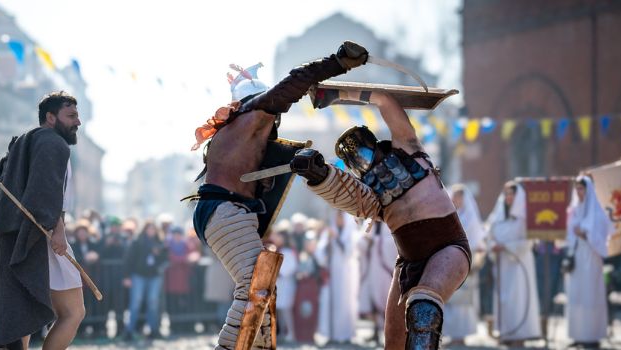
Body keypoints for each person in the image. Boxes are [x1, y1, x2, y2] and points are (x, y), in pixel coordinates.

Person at [188, 42, 368, 350]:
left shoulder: (232, 131)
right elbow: (294, 82)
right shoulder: (253, 113)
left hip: (224, 210)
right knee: (255, 287)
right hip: (226, 210)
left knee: (264, 286)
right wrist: (337, 62)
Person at [289, 91, 471, 350]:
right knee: (394, 342)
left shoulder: (409, 148)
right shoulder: (369, 193)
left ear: (370, 142)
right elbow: (345, 193)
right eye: (351, 157)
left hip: (448, 247)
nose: (358, 158)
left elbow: (384, 101)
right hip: (408, 262)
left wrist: (338, 95)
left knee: (423, 305)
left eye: (358, 149)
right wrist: (317, 174)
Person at [0, 91, 85, 349]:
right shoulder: (52, 144)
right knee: (73, 312)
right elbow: (47, 193)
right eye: (71, 116)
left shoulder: (23, 143)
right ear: (50, 117)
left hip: (14, 237)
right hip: (40, 236)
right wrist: (58, 231)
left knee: (19, 313)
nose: (77, 122)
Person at [485, 181, 542, 346]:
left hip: (519, 265)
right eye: (507, 194)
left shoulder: (524, 218)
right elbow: (489, 236)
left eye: (512, 194)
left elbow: (528, 241)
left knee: (518, 298)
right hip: (502, 264)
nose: (509, 197)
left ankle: (520, 335)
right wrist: (492, 247)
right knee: (503, 299)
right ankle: (506, 333)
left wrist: (507, 246)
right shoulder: (498, 217)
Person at [564, 176, 612, 348]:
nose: (579, 192)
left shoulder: (597, 212)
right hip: (577, 256)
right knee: (576, 295)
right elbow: (568, 234)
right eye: (577, 188)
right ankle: (577, 334)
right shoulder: (574, 210)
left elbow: (603, 236)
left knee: (590, 295)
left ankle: (592, 335)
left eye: (582, 188)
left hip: (591, 257)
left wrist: (585, 234)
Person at [444, 184, 486, 346]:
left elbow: (475, 242)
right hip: (449, 263)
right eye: (454, 196)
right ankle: (452, 334)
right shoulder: (450, 215)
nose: (455, 199)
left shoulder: (470, 218)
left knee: (463, 300)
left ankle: (461, 335)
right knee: (451, 299)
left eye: (458, 196)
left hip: (465, 262)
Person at [315, 210, 360, 344]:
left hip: (346, 275)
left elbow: (349, 253)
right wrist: (327, 243)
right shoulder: (328, 232)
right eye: (337, 217)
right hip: (332, 274)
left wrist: (337, 238)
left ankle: (345, 335)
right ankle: (330, 335)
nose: (338, 220)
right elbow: (320, 254)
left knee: (345, 303)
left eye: (341, 217)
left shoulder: (351, 233)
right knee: (329, 302)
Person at [122, 221, 168, 341]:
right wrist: (127, 276)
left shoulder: (161, 242)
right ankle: (129, 331)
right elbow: (128, 259)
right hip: (138, 275)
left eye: (153, 228)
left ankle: (154, 330)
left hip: (154, 276)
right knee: (135, 303)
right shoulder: (137, 242)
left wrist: (158, 258)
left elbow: (165, 259)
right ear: (145, 229)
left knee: (153, 303)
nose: (151, 231)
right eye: (149, 228)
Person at [357, 219, 396, 344]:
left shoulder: (390, 220)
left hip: (385, 268)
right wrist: (365, 241)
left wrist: (376, 241)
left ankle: (388, 333)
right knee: (372, 299)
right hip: (372, 267)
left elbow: (394, 243)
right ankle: (375, 332)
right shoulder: (369, 222)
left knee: (386, 300)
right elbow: (360, 242)